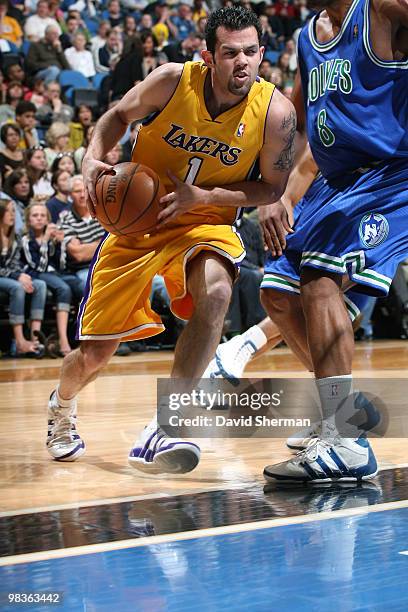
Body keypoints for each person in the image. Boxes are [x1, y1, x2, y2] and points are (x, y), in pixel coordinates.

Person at [46, 6, 296, 468]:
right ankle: (60, 405)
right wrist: (90, 161)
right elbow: (116, 117)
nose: (241, 62)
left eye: (249, 52)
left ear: (262, 53)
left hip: (204, 220)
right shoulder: (172, 80)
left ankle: (169, 421)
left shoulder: (276, 112)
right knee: (95, 354)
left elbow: (271, 188)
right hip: (138, 224)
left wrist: (203, 195)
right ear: (208, 55)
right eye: (229, 53)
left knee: (218, 292)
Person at [257, 0, 408, 483]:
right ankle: (342, 412)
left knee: (320, 278)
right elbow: (301, 129)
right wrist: (277, 194)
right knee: (277, 294)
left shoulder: (383, 12)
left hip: (388, 175)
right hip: (332, 182)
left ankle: (345, 442)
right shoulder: (307, 37)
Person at [22, 202, 81, 356]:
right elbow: (39, 266)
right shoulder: (26, 240)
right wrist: (45, 241)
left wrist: (60, 244)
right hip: (36, 274)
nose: (39, 219)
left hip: (55, 273)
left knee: (81, 285)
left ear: (48, 219)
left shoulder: (51, 238)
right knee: (64, 288)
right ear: (28, 220)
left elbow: (61, 265)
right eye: (35, 216)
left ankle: (81, 335)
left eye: (43, 216)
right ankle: (63, 340)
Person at [0, 198, 46, 356]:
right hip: (4, 277)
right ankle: (19, 341)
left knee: (39, 285)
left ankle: (35, 339)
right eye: (8, 211)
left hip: (8, 275)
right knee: (17, 287)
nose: (13, 215)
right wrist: (16, 276)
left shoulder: (15, 236)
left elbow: (13, 263)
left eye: (14, 211)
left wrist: (21, 274)